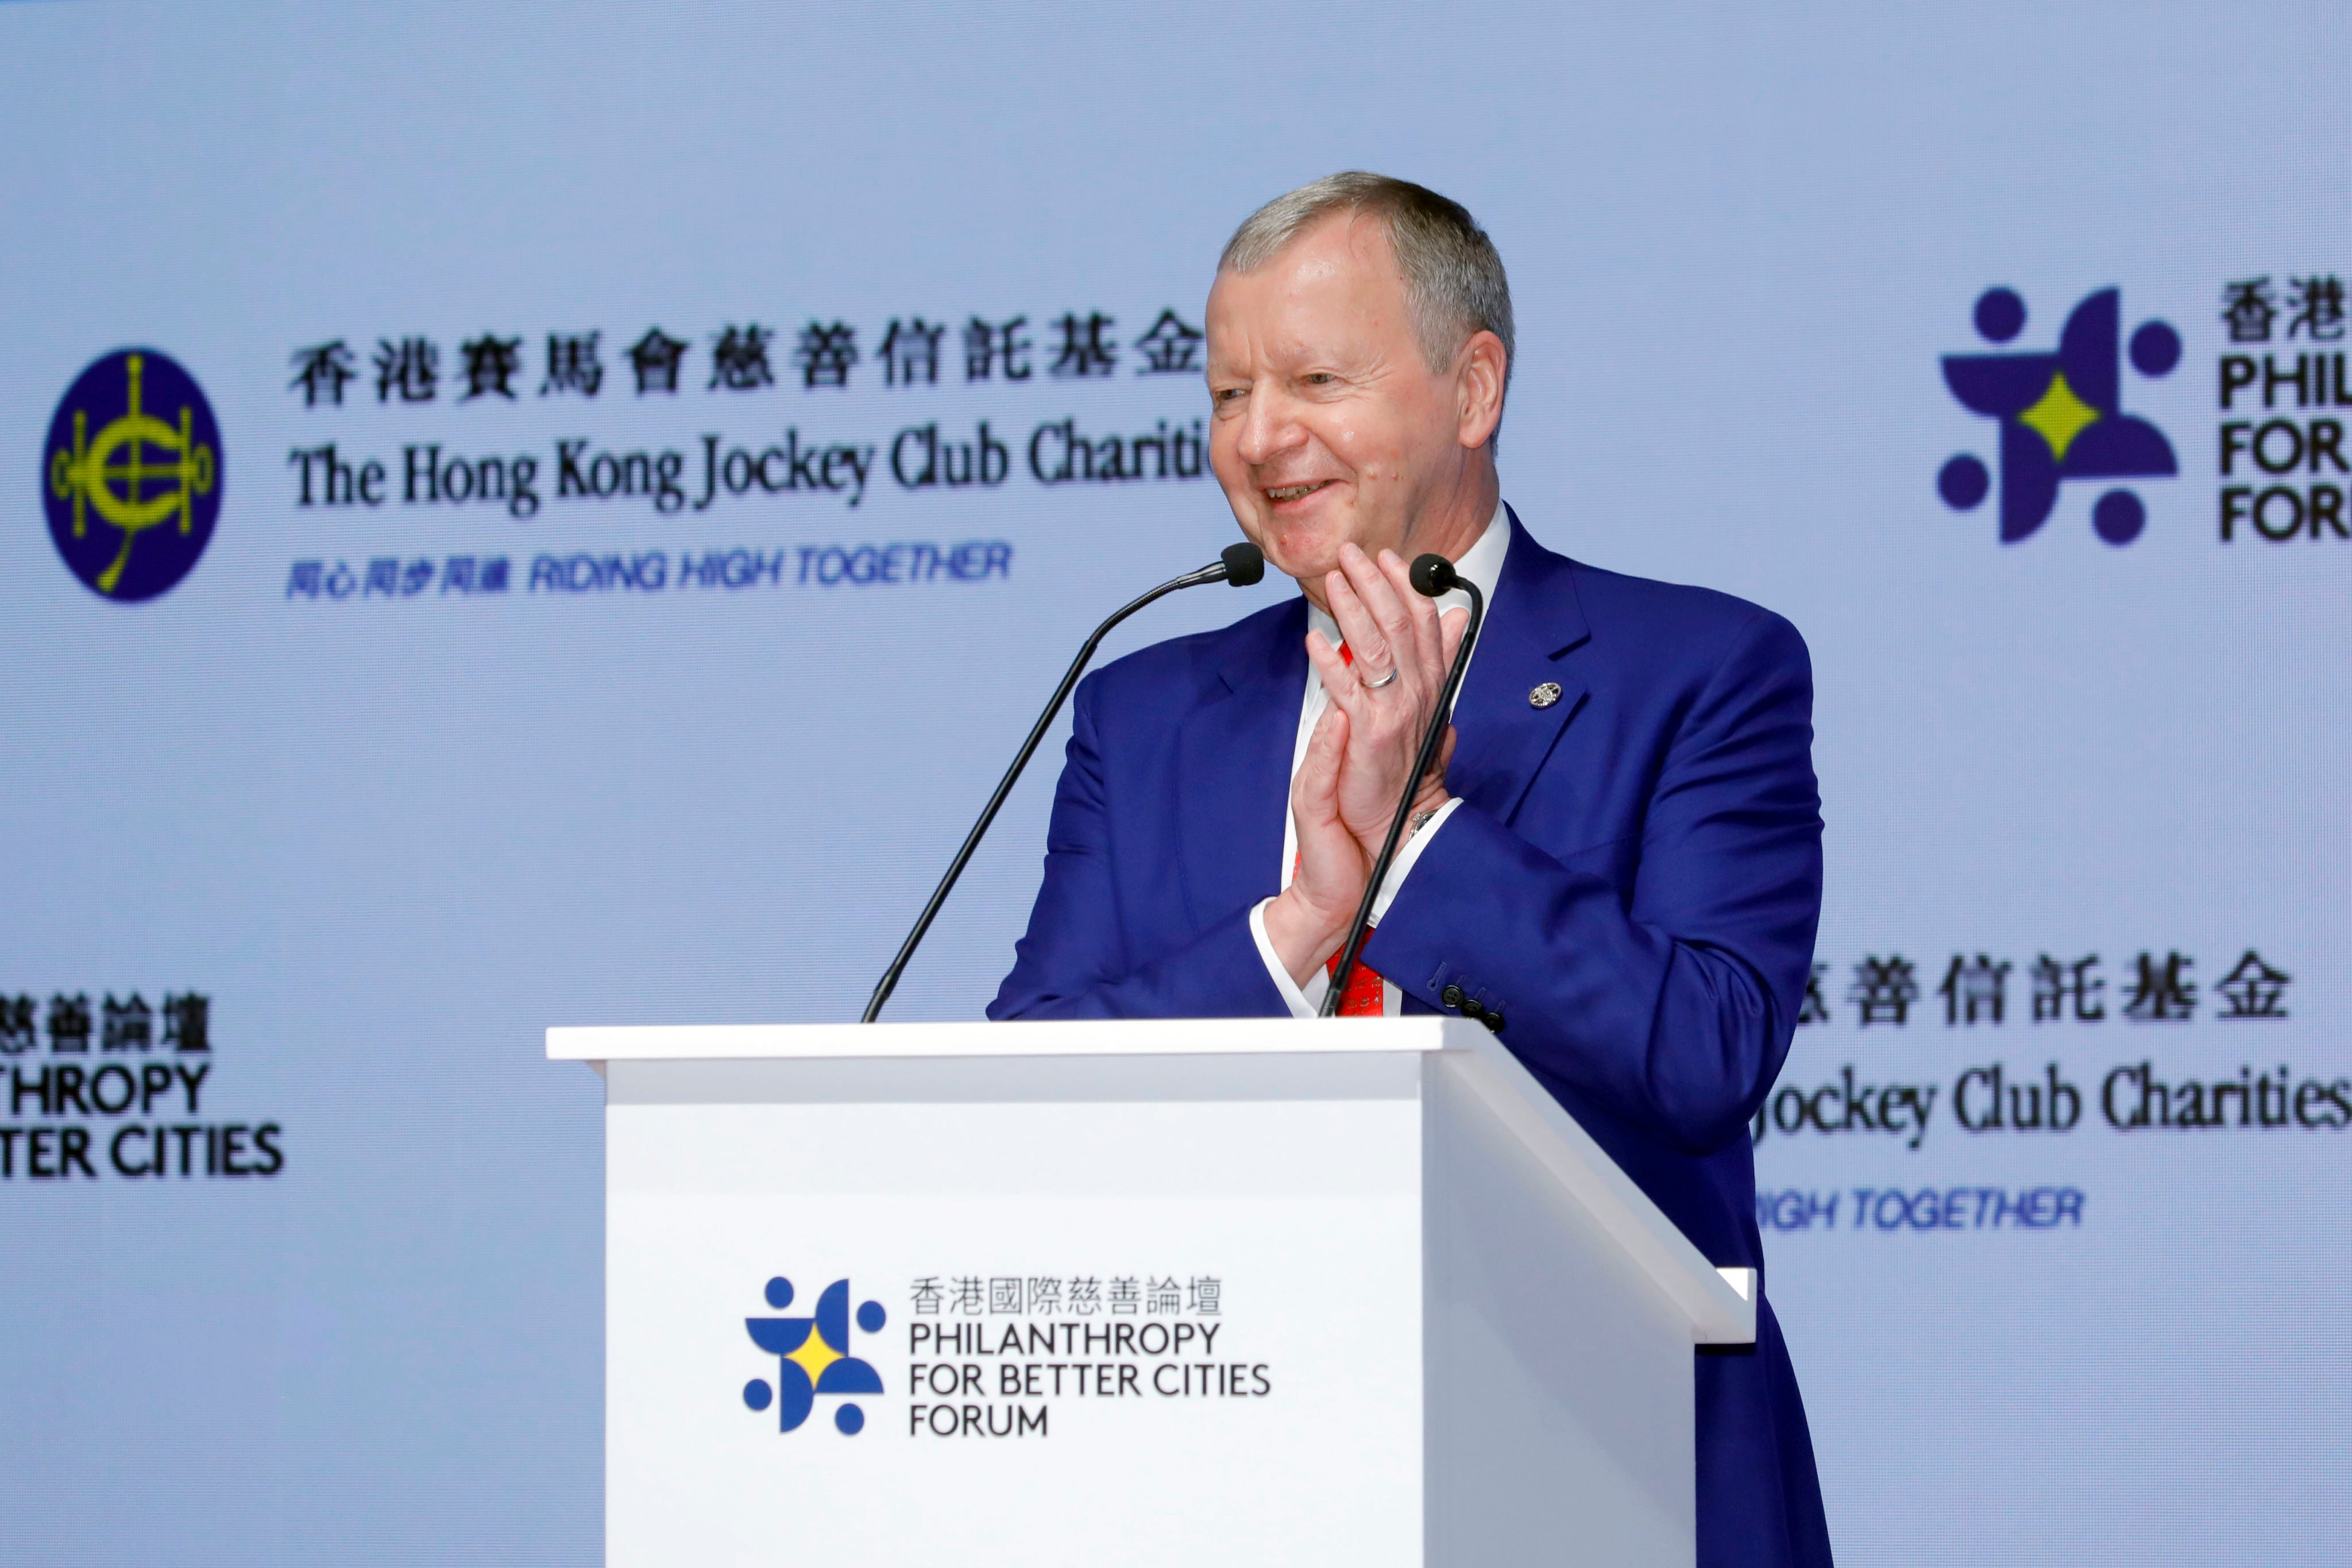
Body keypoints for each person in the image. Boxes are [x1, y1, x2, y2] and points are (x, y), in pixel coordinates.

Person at [989, 172, 1831, 1566]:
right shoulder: (1141, 718)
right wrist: (1298, 928)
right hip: (1218, 1480)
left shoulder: (1696, 671)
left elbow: (1704, 1051)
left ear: (1473, 386)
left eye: (1315, 378)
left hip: (1607, 1466)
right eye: (1225, 395)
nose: (1260, 440)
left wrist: (1421, 840)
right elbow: (1024, 1090)